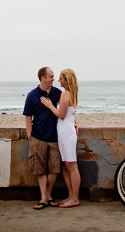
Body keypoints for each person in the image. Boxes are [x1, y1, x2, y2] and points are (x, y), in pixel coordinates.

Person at [23, 67, 62, 210]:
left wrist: (74, 122)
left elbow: (64, 111)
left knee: (54, 169)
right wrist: (30, 137)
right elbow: (28, 118)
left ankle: (49, 195)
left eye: (54, 76)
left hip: (54, 137)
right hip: (37, 137)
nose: (54, 79)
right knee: (40, 170)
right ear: (42, 78)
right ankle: (44, 198)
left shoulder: (58, 93)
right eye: (51, 76)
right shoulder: (32, 95)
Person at [41, 68, 81, 207]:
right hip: (64, 132)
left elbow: (61, 115)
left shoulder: (65, 94)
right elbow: (70, 115)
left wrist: (50, 105)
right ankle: (71, 196)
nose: (58, 80)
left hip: (66, 133)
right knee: (65, 166)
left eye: (61, 78)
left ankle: (75, 198)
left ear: (67, 80)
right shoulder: (71, 94)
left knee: (72, 166)